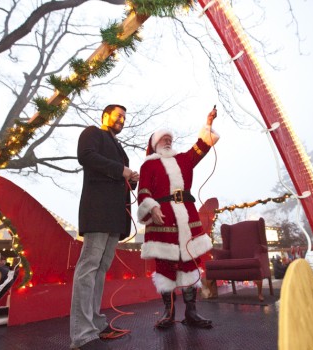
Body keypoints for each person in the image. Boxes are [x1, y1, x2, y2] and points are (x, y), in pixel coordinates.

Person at [137, 107, 219, 329]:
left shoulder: (183, 160)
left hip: (187, 218)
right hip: (163, 220)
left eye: (169, 139)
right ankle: (168, 312)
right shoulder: (148, 164)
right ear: (154, 144)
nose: (167, 141)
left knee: (191, 264)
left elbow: (201, 147)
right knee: (165, 265)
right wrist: (152, 207)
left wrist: (208, 123)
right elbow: (143, 191)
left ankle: (191, 313)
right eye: (163, 139)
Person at [70, 104, 139, 350]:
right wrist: (121, 170)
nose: (121, 118)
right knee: (88, 267)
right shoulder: (92, 133)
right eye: (118, 114)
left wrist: (131, 177)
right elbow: (86, 156)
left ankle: (96, 323)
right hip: (98, 211)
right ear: (104, 116)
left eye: (124, 116)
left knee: (100, 269)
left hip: (115, 215)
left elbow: (119, 176)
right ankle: (81, 334)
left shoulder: (119, 147)